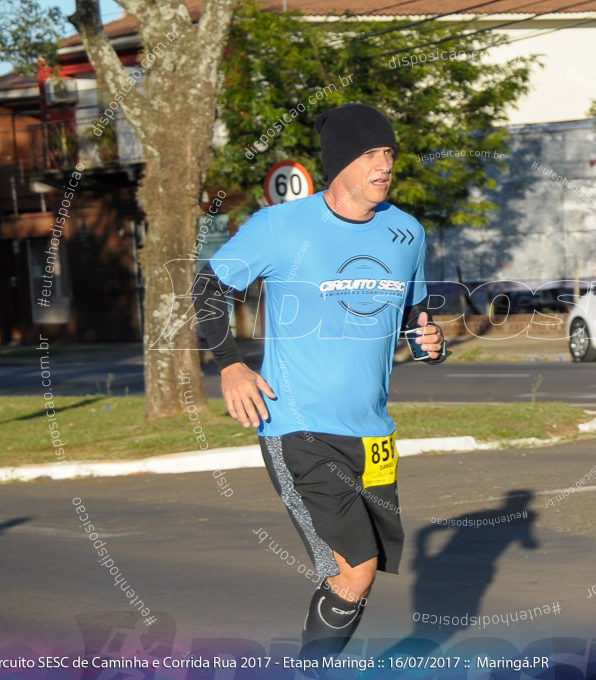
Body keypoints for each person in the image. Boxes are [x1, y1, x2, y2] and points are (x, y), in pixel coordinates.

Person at [193, 103, 447, 660]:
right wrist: (231, 364)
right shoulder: (279, 227)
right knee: (354, 573)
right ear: (340, 163)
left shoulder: (407, 232)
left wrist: (430, 342)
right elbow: (207, 290)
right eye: (371, 154)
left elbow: (416, 314)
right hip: (299, 427)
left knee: (364, 575)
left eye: (389, 154)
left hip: (373, 434)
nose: (385, 165)